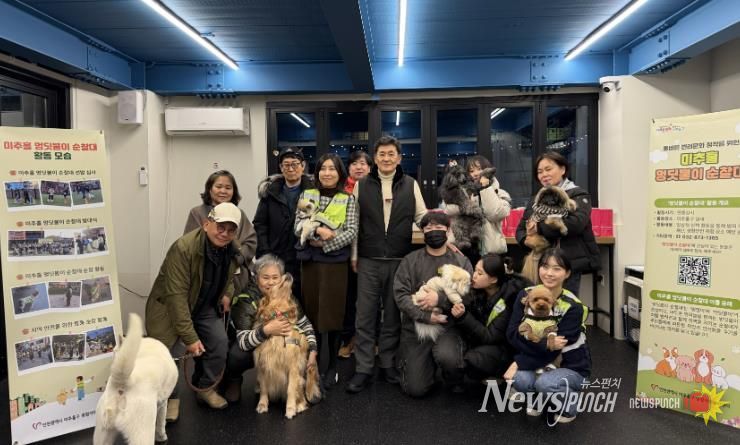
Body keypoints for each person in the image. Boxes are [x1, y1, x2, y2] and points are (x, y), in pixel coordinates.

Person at [145, 202, 245, 421]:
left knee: (220, 344)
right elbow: (176, 296)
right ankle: (170, 398)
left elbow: (230, 277)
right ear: (207, 224)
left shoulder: (232, 249)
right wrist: (189, 337)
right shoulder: (183, 248)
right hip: (169, 308)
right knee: (169, 354)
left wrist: (227, 293)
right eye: (220, 227)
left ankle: (205, 388)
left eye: (231, 230)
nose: (225, 233)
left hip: (205, 305)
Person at [346, 136, 427, 394]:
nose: (386, 158)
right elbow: (354, 224)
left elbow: (422, 216)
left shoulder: (410, 184)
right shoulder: (361, 186)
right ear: (375, 158)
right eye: (382, 154)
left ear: (399, 158)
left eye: (391, 154)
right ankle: (363, 368)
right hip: (368, 259)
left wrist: (443, 233)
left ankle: (388, 363)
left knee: (392, 316)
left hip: (399, 260)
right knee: (365, 315)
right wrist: (354, 255)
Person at [504, 248, 591, 424]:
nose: (549, 273)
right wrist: (545, 344)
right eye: (545, 267)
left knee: (545, 383)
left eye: (557, 268)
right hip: (538, 359)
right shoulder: (525, 295)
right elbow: (512, 334)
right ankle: (539, 399)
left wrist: (518, 362)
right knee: (520, 379)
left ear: (567, 273)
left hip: (570, 365)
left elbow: (556, 349)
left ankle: (570, 402)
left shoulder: (574, 306)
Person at [293, 153, 357, 388]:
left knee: (333, 315)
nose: (327, 173)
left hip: (335, 264)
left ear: (340, 173)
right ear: (317, 172)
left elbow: (351, 231)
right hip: (309, 263)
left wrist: (326, 244)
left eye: (332, 169)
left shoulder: (348, 199)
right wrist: (317, 231)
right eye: (323, 168)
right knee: (312, 314)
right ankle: (315, 363)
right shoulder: (307, 195)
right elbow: (298, 225)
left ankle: (332, 367)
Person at [393, 211, 473, 397]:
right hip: (417, 329)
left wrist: (440, 300)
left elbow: (470, 297)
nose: (434, 231)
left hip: (449, 327)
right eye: (429, 228)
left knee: (448, 357)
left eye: (439, 227)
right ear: (422, 232)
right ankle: (419, 367)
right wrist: (425, 316)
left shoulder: (461, 261)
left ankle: (452, 375)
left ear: (448, 230)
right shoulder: (410, 261)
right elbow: (400, 295)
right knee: (415, 389)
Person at [231, 254, 318, 402]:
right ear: (256, 278)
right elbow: (243, 342)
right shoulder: (246, 299)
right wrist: (267, 330)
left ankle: (281, 382)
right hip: (252, 347)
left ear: (281, 279)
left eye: (275, 277)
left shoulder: (288, 296)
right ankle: (234, 380)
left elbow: (306, 325)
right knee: (237, 356)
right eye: (265, 277)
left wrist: (313, 351)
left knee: (295, 344)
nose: (271, 282)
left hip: (281, 347)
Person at [515, 152, 599, 295]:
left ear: (563, 169)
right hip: (540, 264)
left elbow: (575, 224)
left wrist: (539, 228)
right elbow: (521, 230)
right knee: (538, 302)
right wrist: (529, 241)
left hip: (566, 262)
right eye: (540, 172)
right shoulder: (536, 199)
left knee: (565, 303)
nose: (544, 175)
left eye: (548, 169)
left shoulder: (577, 194)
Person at [450, 254, 531, 382]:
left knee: (470, 361)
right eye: (475, 270)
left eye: (480, 273)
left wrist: (463, 317)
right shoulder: (478, 291)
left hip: (504, 350)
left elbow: (490, 336)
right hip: (481, 342)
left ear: (493, 280)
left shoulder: (509, 300)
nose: (474, 276)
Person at [254, 147, 313, 302]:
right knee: (274, 300)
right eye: (286, 165)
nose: (291, 168)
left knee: (301, 300)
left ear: (303, 166)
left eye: (295, 164)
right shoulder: (270, 192)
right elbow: (260, 224)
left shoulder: (313, 192)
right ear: (281, 168)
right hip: (275, 256)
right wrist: (266, 253)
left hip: (303, 258)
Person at [184, 170, 257, 292]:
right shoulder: (197, 213)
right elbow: (191, 244)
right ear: (209, 189)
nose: (223, 191)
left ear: (233, 191)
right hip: (207, 276)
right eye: (218, 187)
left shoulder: (239, 213)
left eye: (228, 188)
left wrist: (236, 259)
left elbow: (251, 242)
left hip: (238, 275)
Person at [339, 150, 373, 359]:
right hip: (344, 251)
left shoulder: (376, 189)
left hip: (370, 251)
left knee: (371, 300)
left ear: (370, 168)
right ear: (348, 168)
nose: (359, 167)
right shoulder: (341, 190)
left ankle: (371, 340)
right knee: (348, 298)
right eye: (354, 163)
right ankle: (348, 338)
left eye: (363, 163)